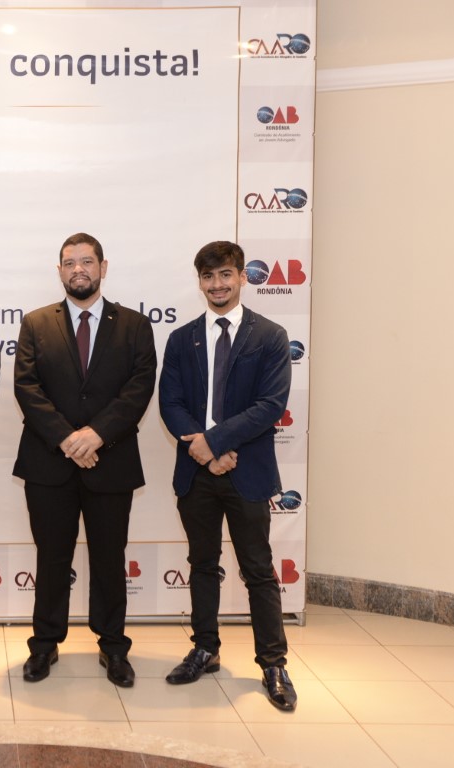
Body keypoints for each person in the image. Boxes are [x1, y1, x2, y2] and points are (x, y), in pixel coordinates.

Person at [13, 232, 157, 688]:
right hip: (48, 463)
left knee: (110, 560)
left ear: (103, 267)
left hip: (110, 461)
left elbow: (139, 388)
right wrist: (67, 438)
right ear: (59, 270)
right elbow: (27, 387)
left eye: (87, 261)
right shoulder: (36, 323)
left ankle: (113, 647)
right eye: (70, 262)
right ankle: (44, 644)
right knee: (51, 559)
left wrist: (96, 435)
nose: (79, 269)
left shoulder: (134, 325)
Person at [158, 240, 296, 711]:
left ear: (241, 277)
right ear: (199, 282)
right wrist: (204, 453)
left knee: (258, 569)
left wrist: (213, 443)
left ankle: (273, 664)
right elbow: (171, 403)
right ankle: (205, 649)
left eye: (225, 275)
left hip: (247, 471)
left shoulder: (270, 336)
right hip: (197, 473)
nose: (216, 284)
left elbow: (270, 405)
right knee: (202, 564)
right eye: (208, 276)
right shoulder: (182, 339)